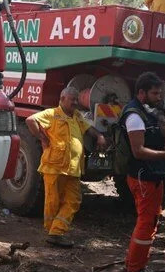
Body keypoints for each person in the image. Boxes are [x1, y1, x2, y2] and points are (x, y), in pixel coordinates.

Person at [26, 87, 107, 248]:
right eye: (72, 100)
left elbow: (88, 127)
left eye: (77, 100)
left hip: (73, 167)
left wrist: (99, 136)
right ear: (62, 99)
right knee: (53, 201)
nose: (76, 103)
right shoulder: (52, 114)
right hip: (54, 167)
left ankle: (56, 231)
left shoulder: (76, 116)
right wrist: (42, 136)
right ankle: (53, 233)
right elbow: (30, 120)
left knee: (74, 200)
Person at [121, 72, 165, 272]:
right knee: (147, 222)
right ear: (141, 93)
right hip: (143, 176)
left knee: (149, 220)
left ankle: (132, 263)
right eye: (155, 93)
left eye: (160, 93)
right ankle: (135, 268)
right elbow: (139, 151)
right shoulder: (135, 116)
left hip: (152, 175)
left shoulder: (150, 113)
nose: (159, 97)